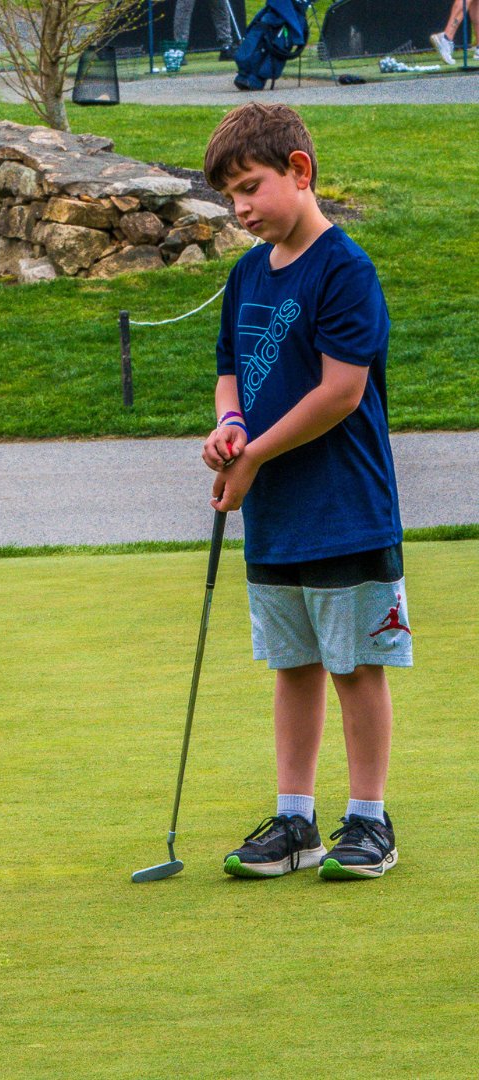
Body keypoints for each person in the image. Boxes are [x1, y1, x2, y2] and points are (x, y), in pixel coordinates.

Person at [201, 103, 411, 882]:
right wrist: (229, 426)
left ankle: (369, 820)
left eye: (251, 187)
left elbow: (341, 393)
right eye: (230, 198)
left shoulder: (344, 269)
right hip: (277, 512)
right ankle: (296, 823)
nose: (242, 209)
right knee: (293, 664)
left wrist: (250, 454)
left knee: (355, 663)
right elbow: (230, 367)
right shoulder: (247, 274)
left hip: (346, 507)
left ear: (299, 170)